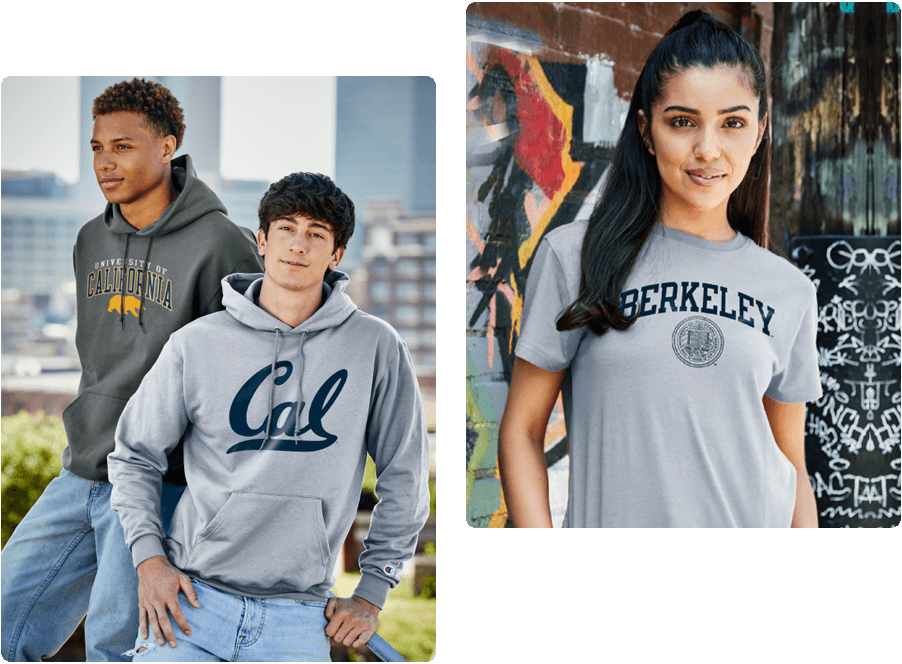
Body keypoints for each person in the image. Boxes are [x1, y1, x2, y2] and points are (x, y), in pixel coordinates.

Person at [499, 10, 822, 528]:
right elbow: (521, 431)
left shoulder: (789, 289)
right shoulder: (575, 256)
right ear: (647, 131)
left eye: (733, 123)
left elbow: (792, 469)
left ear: (760, 131)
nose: (708, 149)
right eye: (682, 122)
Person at [108, 172, 431, 661]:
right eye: (285, 228)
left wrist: (371, 592)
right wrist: (149, 560)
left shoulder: (376, 347)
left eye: (316, 234)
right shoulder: (198, 344)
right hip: (191, 607)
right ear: (261, 239)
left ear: (336, 254)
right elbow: (134, 456)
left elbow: (405, 477)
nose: (298, 245)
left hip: (297, 619)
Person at [0, 78, 264, 661]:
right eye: (96, 147)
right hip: (85, 470)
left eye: (122, 146)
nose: (104, 162)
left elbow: (251, 378)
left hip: (161, 482)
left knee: (118, 646)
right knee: (6, 619)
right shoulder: (90, 239)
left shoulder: (222, 244)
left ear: (167, 147)